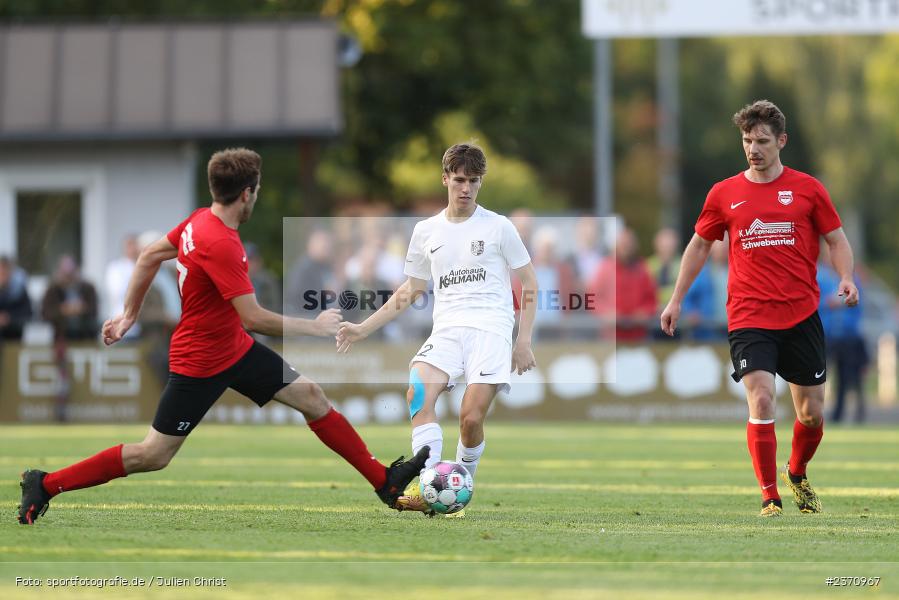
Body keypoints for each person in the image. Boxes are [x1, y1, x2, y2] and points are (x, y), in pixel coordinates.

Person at [17, 148, 427, 525]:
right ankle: (45, 483)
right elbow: (252, 317)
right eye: (258, 190)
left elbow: (148, 256)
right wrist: (314, 327)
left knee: (312, 397)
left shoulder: (200, 220)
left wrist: (128, 314)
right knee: (153, 455)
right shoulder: (221, 243)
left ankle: (384, 482)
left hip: (234, 348)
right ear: (247, 193)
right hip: (201, 361)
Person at [660, 100, 859, 517]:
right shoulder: (724, 193)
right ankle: (770, 495)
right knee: (763, 399)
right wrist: (676, 298)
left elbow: (836, 240)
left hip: (801, 315)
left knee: (810, 414)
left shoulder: (808, 189)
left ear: (781, 141)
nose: (753, 148)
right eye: (747, 140)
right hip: (749, 316)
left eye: (762, 141)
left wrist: (845, 277)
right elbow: (699, 245)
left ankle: (797, 471)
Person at [336, 143, 538, 517]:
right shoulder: (426, 231)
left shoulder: (498, 227)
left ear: (481, 183)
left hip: (491, 330)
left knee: (470, 418)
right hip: (446, 331)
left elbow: (529, 283)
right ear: (445, 179)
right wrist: (363, 328)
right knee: (417, 393)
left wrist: (522, 341)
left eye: (473, 181)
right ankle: (433, 490)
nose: (466, 188)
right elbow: (410, 291)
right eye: (459, 180)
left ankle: (461, 486)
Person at [817, 253, 867, 423]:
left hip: (848, 336)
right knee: (818, 375)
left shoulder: (853, 280)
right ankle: (816, 412)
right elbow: (813, 301)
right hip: (825, 335)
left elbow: (859, 305)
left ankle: (844, 414)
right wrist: (828, 303)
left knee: (849, 377)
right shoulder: (819, 276)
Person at [587, 227, 657, 342]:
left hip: (637, 336)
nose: (627, 248)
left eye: (629, 244)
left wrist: (644, 312)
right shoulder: (605, 268)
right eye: (623, 245)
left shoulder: (642, 269)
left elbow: (652, 299)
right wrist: (606, 313)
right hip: (610, 336)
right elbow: (592, 298)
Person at [0, 256, 32, 340]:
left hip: (14, 338)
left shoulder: (19, 291)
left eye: (5, 271)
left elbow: (27, 313)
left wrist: (9, 318)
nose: (2, 274)